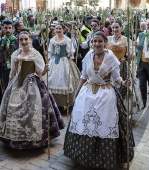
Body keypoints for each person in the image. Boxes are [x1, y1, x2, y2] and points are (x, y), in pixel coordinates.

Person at [64, 31, 135, 169]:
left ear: (105, 43)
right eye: (94, 41)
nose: (97, 44)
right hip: (87, 92)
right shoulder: (88, 56)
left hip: (105, 94)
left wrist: (123, 83)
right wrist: (77, 93)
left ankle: (105, 156)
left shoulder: (111, 58)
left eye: (99, 41)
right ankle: (82, 154)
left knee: (105, 122)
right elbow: (83, 77)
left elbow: (116, 78)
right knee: (83, 121)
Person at [0, 31, 65, 149]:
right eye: (21, 39)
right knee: (12, 109)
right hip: (16, 85)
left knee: (32, 111)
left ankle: (33, 139)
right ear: (18, 41)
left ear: (30, 40)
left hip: (32, 85)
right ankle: (15, 136)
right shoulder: (15, 54)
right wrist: (9, 84)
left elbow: (40, 74)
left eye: (26, 39)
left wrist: (46, 69)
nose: (24, 42)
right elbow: (13, 72)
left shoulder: (35, 54)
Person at [48, 23, 80, 111]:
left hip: (64, 61)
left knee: (66, 80)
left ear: (63, 29)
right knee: (51, 80)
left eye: (60, 29)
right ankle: (55, 104)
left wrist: (71, 53)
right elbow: (50, 51)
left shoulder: (67, 40)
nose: (58, 30)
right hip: (54, 62)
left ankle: (66, 104)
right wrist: (49, 58)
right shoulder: (52, 40)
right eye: (56, 29)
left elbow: (71, 52)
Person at [107, 20, 135, 100]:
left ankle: (120, 99)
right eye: (113, 27)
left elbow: (131, 51)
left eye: (116, 27)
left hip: (121, 65)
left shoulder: (126, 40)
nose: (114, 29)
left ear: (121, 27)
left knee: (121, 82)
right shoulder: (108, 39)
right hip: (109, 65)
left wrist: (131, 55)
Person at [0, 19, 19, 103]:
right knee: (4, 86)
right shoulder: (1, 41)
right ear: (3, 28)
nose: (7, 30)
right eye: (5, 28)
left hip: (14, 69)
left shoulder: (17, 41)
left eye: (9, 28)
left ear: (12, 29)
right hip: (3, 69)